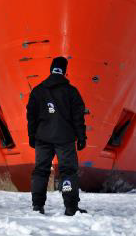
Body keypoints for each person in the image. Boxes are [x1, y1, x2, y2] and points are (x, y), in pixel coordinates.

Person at [27, 56, 87, 216]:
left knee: (41, 170)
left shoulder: (38, 90)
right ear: (65, 72)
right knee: (68, 171)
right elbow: (78, 117)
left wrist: (31, 136)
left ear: (51, 69)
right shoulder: (72, 92)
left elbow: (31, 116)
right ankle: (71, 207)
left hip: (42, 138)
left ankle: (37, 206)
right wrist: (82, 137)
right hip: (65, 138)